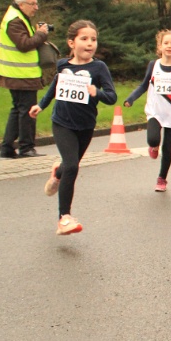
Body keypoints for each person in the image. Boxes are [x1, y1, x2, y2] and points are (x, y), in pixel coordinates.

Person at [29, 20, 116, 235]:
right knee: (72, 166)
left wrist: (97, 92)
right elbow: (55, 87)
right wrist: (41, 105)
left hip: (85, 126)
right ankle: (64, 218)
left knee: (70, 165)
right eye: (84, 39)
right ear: (71, 43)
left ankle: (57, 173)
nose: (90, 43)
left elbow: (112, 96)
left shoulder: (99, 68)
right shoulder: (63, 65)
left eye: (93, 39)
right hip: (62, 123)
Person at [122, 30, 171, 192]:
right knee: (153, 139)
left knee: (167, 149)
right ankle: (153, 147)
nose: (169, 46)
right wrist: (131, 98)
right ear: (160, 46)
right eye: (166, 43)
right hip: (155, 111)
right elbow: (144, 85)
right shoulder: (154, 65)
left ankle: (162, 178)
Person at [0, 0, 49, 159]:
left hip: (18, 73)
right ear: (21, 4)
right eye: (32, 4)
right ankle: (26, 147)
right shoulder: (15, 21)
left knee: (18, 110)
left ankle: (7, 147)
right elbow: (24, 44)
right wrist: (41, 34)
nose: (36, 7)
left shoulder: (17, 17)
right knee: (28, 111)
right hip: (20, 74)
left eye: (36, 4)